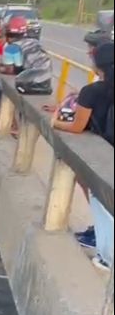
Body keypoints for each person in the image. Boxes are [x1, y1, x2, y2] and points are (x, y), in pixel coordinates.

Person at [52, 42, 114, 271]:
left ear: (98, 65)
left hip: (105, 154)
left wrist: (56, 121)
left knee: (102, 203)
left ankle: (107, 256)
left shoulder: (93, 91)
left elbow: (77, 126)